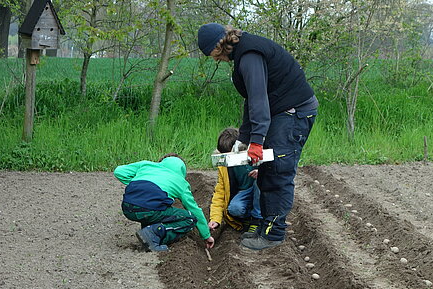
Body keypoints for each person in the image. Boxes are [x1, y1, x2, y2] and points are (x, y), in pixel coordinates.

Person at [197, 23, 318, 250]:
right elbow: (250, 101)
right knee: (266, 172)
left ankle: (273, 235)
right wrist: (244, 138)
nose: (214, 59)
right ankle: (264, 227)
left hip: (294, 113)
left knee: (278, 172)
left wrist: (257, 141)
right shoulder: (243, 55)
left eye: (212, 54)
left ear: (219, 45)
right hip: (282, 112)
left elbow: (260, 101)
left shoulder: (250, 56)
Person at [114, 153, 215, 252]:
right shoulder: (180, 181)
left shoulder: (146, 165)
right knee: (190, 218)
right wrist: (206, 235)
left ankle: (148, 232)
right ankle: (153, 236)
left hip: (127, 207)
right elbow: (194, 209)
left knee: (155, 205)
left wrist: (137, 182)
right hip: (148, 210)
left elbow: (119, 171)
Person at [208, 127, 262, 237]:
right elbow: (220, 192)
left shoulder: (255, 153)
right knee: (234, 209)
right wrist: (215, 219)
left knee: (260, 182)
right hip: (244, 192)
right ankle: (248, 218)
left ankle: (257, 220)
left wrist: (262, 173)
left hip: (261, 191)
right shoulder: (224, 165)